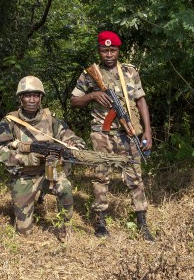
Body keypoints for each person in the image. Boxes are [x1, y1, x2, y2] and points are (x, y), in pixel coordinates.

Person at [70, 30, 155, 241]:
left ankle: (142, 222)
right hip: (102, 133)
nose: (109, 54)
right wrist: (92, 95)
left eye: (113, 50)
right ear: (99, 51)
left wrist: (148, 130)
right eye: (104, 50)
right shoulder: (90, 74)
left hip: (129, 132)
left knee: (135, 177)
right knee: (101, 176)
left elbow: (140, 100)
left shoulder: (130, 72)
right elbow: (74, 101)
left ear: (119, 50)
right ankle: (100, 221)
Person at [0, 76, 86, 242]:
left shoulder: (50, 119)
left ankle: (64, 227)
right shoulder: (10, 121)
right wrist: (26, 159)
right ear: (20, 98)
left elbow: (73, 138)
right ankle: (32, 198)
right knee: (23, 232)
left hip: (47, 173)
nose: (32, 100)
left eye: (36, 95)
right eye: (27, 95)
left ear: (41, 97)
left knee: (65, 187)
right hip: (24, 176)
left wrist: (73, 144)